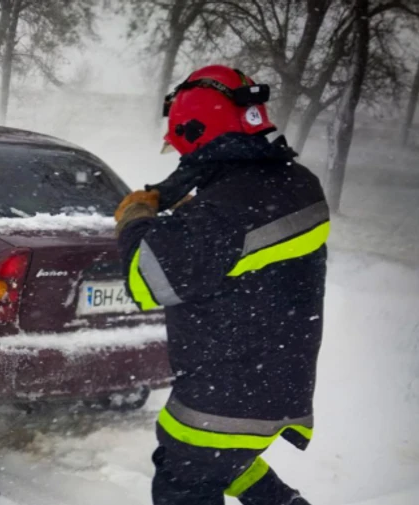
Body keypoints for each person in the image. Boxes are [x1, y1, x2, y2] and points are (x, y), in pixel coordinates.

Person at [114, 65, 328, 505]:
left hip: (221, 400)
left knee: (185, 477)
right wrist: (197, 199)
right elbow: (243, 242)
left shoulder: (224, 213)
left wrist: (136, 217)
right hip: (275, 388)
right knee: (226, 463)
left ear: (195, 132)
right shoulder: (297, 185)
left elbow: (145, 279)